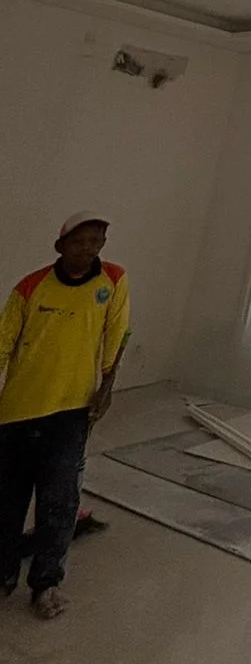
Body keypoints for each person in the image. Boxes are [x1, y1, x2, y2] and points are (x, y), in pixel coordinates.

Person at [0, 212, 130, 619]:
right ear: (60, 246)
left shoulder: (113, 281)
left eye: (96, 240)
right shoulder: (30, 287)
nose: (88, 249)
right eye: (79, 241)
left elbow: (117, 334)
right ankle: (3, 575)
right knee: (7, 502)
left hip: (71, 413)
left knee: (59, 503)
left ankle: (45, 584)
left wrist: (106, 386)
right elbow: (2, 344)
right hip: (18, 412)